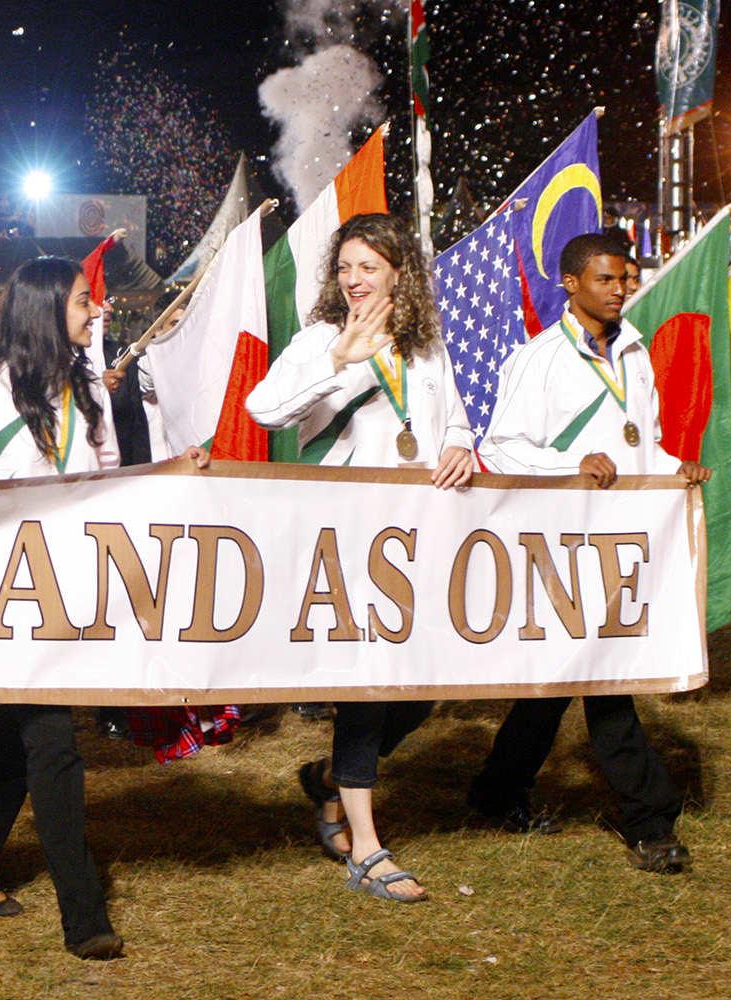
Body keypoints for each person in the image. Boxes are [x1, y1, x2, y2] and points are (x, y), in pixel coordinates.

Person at [0, 256, 194, 959]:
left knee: (22, 740)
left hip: (72, 589)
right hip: (6, 595)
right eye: (87, 300)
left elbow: (108, 480)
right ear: (46, 309)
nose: (98, 311)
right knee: (53, 741)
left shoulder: (87, 383)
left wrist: (176, 474)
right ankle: (83, 914)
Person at [246, 213, 475, 903]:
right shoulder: (321, 339)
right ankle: (367, 849)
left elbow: (453, 414)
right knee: (368, 685)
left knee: (426, 682)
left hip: (416, 536)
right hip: (345, 539)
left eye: (368, 267)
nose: (353, 280)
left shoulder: (425, 344)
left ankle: (328, 781)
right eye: (345, 267)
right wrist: (336, 361)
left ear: (398, 273)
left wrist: (461, 441)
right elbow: (264, 410)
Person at [470, 231, 710, 874]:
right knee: (604, 680)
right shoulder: (539, 358)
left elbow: (643, 439)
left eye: (626, 279)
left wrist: (672, 467)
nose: (620, 289)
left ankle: (496, 790)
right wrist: (570, 462)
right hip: (559, 536)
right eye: (605, 279)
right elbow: (503, 445)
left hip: (622, 537)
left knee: (559, 678)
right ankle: (650, 820)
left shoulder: (634, 351)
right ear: (571, 284)